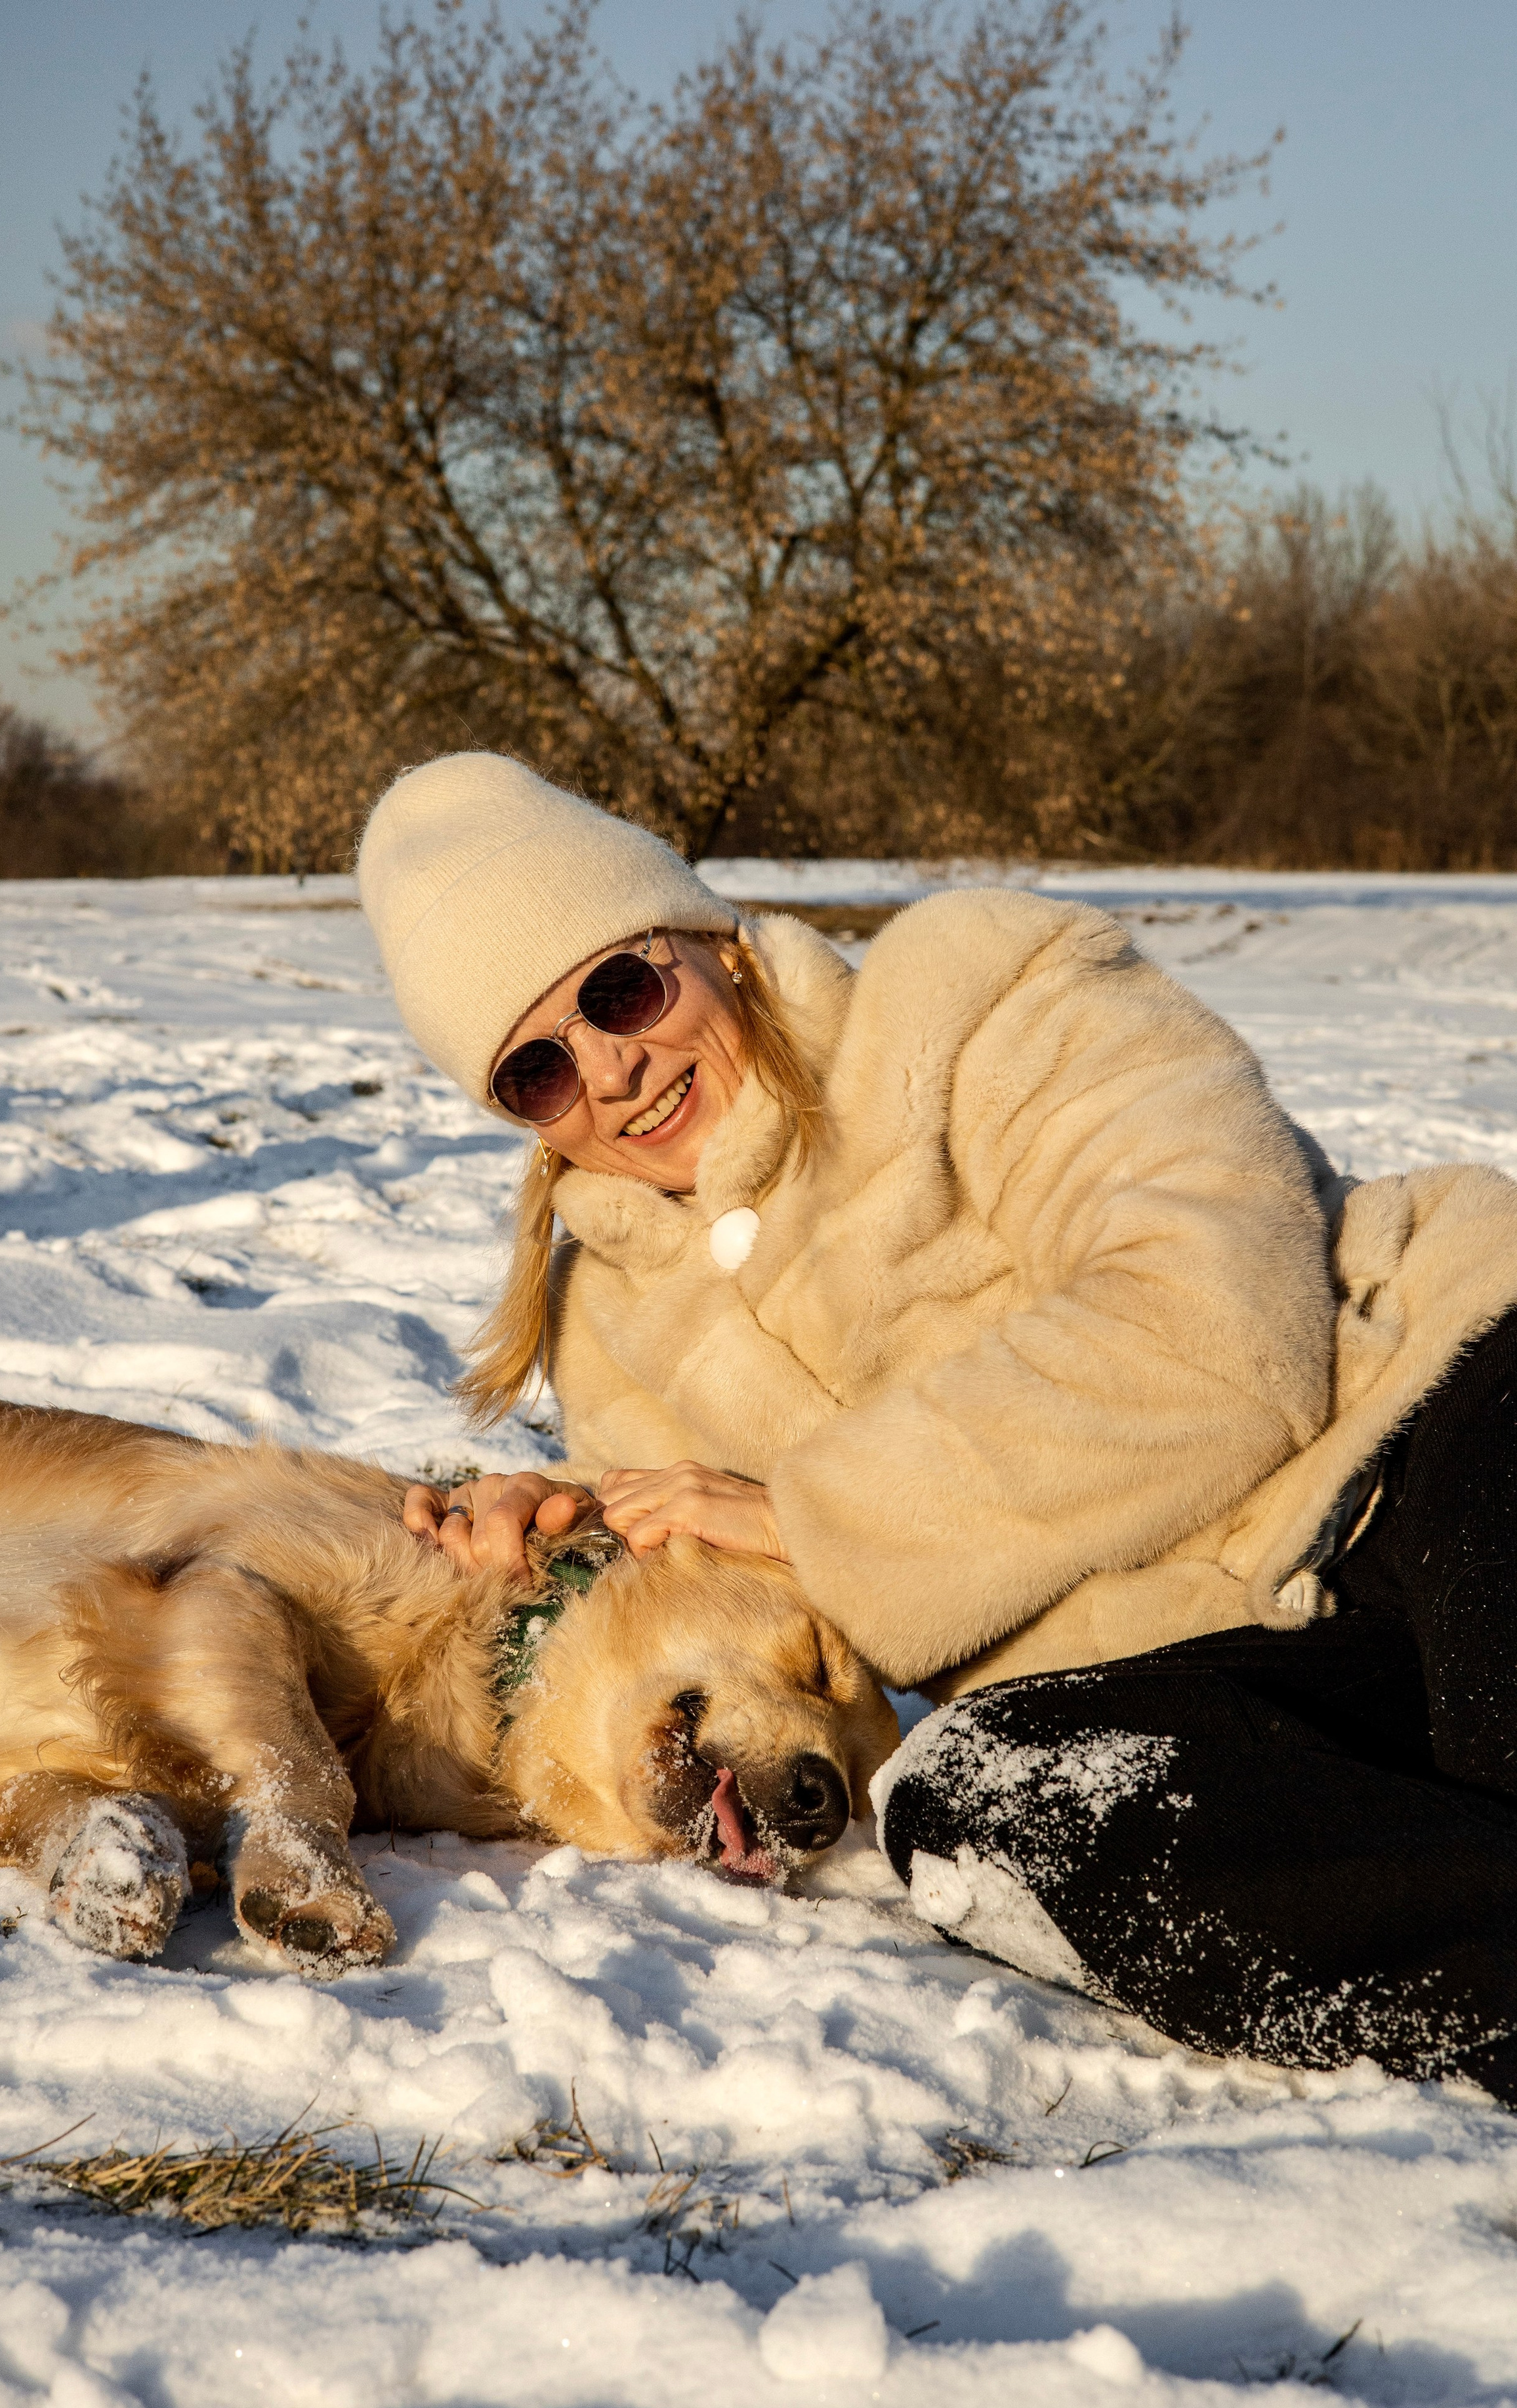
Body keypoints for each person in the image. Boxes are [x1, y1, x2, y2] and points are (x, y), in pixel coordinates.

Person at [358, 752, 1517, 2099]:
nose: (610, 1069)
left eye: (620, 990)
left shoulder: (975, 997)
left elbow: (1220, 1324)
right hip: (1218, 1663)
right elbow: (711, 1590)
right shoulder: (610, 1328)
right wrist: (550, 1514)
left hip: (1433, 1414)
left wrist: (817, 1519)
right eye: (538, 1072)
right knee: (974, 1803)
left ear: (708, 941)